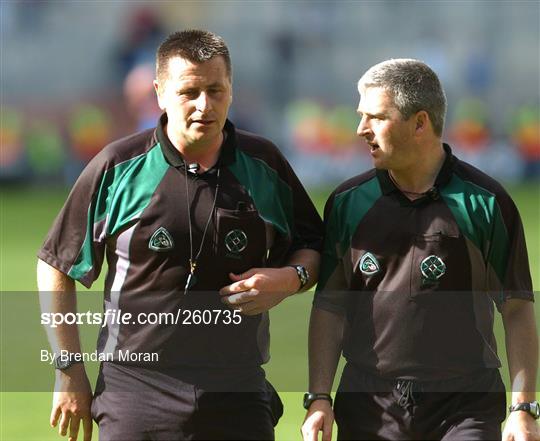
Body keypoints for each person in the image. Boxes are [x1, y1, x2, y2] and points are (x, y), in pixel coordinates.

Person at [38, 29, 323, 441]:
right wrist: (68, 370)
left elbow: (312, 247)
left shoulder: (265, 164)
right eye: (189, 91)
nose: (204, 105)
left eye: (215, 90)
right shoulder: (117, 167)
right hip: (136, 387)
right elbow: (55, 264)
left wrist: (289, 280)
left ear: (231, 90)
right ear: (159, 92)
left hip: (237, 387)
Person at [301, 59, 539, 441]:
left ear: (419, 123)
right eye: (361, 116)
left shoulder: (485, 203)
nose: (361, 130)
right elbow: (330, 305)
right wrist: (319, 398)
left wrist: (522, 407)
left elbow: (517, 307)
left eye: (376, 117)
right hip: (369, 405)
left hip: (465, 406)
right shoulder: (348, 202)